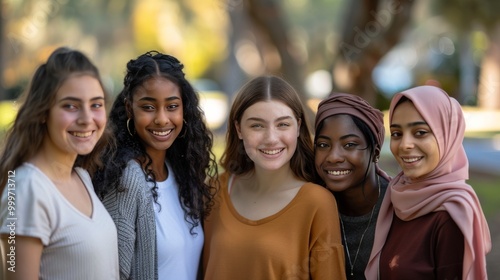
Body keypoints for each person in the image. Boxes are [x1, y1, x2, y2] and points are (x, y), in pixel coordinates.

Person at [203, 75, 346, 280]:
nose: (271, 138)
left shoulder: (317, 202)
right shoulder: (215, 189)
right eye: (257, 126)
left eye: (282, 125)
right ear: (238, 129)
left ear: (298, 126)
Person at [92, 50, 218, 280]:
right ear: (130, 108)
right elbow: (112, 273)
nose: (161, 119)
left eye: (172, 106)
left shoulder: (182, 173)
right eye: (148, 107)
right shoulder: (125, 181)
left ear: (184, 109)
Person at [0, 47, 119, 280]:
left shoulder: (82, 178)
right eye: (70, 106)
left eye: (96, 104)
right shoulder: (26, 188)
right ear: (43, 111)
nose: (87, 119)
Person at [365, 85, 491, 279]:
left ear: (447, 136)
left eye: (420, 132)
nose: (405, 144)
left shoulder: (451, 215)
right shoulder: (396, 196)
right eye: (397, 133)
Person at [313, 92, 391, 280]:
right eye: (323, 145)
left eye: (349, 144)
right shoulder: (311, 205)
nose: (333, 156)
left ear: (375, 153)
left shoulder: (401, 206)